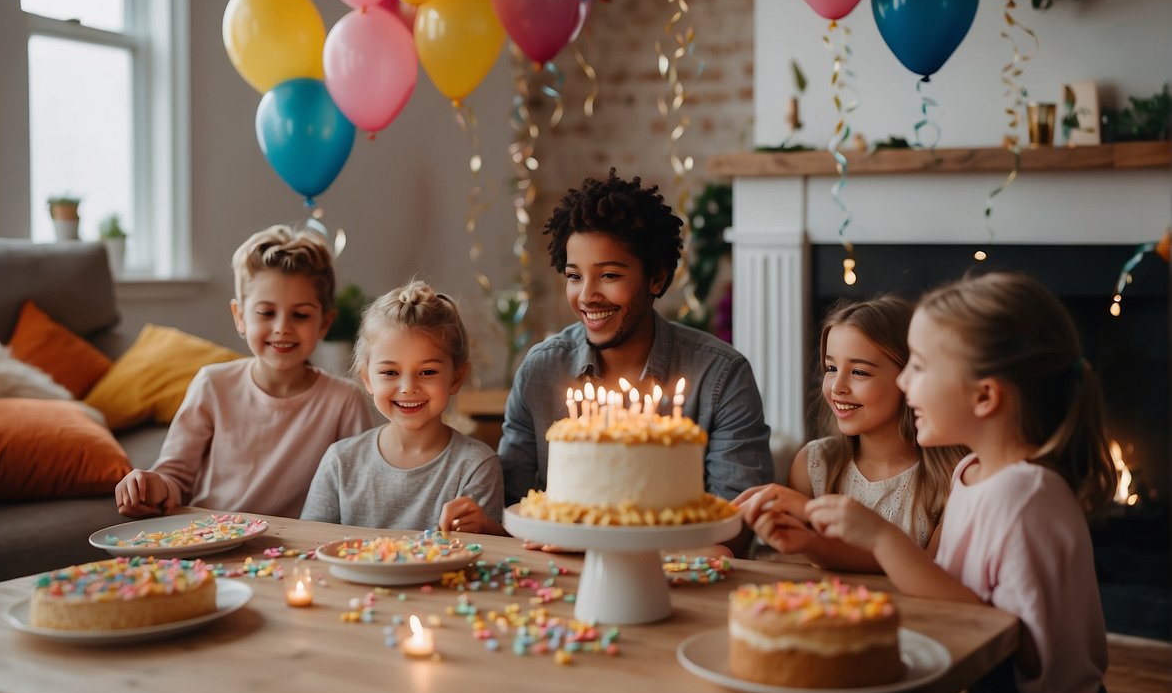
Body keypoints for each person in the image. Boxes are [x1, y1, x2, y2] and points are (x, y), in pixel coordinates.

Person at [806, 272, 1118, 693]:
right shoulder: (972, 472)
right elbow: (956, 594)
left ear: (985, 396)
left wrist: (881, 537)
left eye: (920, 366)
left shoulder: (1024, 498)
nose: (901, 382)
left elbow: (1013, 642)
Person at [498, 169, 774, 525]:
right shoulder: (540, 371)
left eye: (609, 275)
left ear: (656, 277)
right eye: (574, 276)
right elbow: (511, 506)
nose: (587, 296)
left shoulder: (720, 375)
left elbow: (737, 519)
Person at [115, 225, 371, 519]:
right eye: (266, 313)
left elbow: (358, 491)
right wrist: (150, 486)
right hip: (209, 541)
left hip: (295, 553)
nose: (282, 328)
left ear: (324, 323)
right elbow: (175, 477)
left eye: (300, 315)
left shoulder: (344, 400)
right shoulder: (212, 384)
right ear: (240, 317)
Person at [732, 295, 965, 571]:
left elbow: (931, 574)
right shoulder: (815, 464)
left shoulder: (951, 476)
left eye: (859, 372)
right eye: (831, 368)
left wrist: (811, 537)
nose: (837, 387)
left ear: (909, 377)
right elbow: (793, 565)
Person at [301, 279, 505, 535]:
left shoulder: (476, 466)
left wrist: (486, 529)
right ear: (367, 379)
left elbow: (489, 556)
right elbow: (308, 543)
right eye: (389, 372)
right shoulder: (340, 462)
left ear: (457, 377)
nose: (408, 387)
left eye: (428, 371)